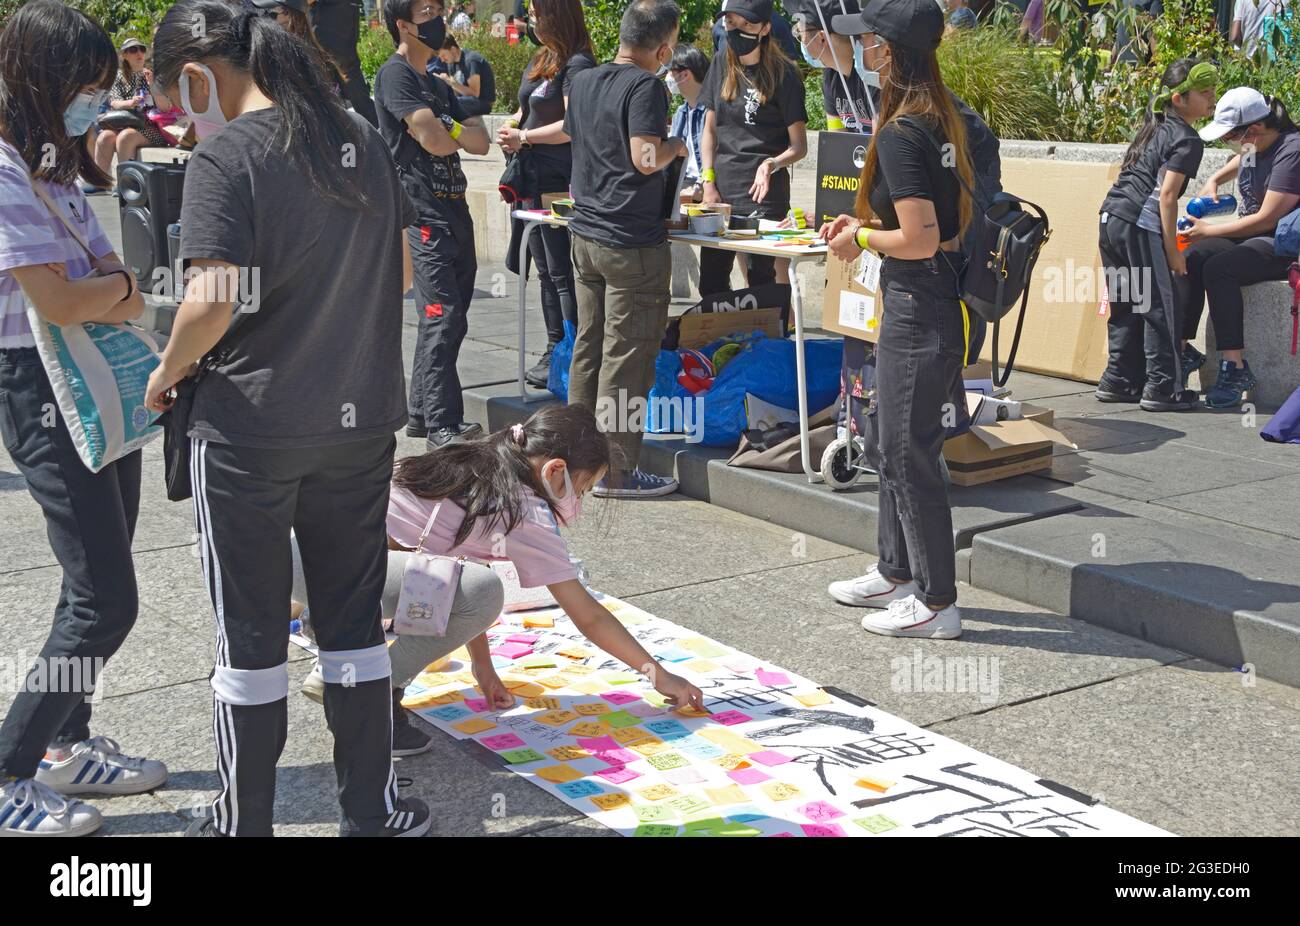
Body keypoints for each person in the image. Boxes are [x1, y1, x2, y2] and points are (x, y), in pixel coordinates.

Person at [144, 0, 425, 837]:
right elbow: (405, 272)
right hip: (360, 423)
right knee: (352, 629)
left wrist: (167, 371)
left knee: (251, 638)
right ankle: (369, 816)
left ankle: (244, 823)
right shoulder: (360, 140)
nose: (175, 112)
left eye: (173, 93)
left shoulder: (225, 157)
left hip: (249, 431)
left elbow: (213, 296)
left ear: (199, 75)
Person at [295, 405, 708, 748]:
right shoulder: (527, 510)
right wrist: (659, 674)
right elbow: (589, 616)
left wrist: (483, 668)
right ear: (554, 470)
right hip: (328, 567)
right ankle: (367, 693)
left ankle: (343, 646)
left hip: (304, 545)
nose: (578, 502)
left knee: (465, 588)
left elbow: (453, 579)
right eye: (581, 489)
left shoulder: (481, 460)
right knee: (486, 593)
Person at [0, 0, 165, 838]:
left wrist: (110, 293)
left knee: (92, 576)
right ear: (41, 78)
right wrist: (117, 295)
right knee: (105, 600)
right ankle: (7, 773)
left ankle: (64, 745)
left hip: (94, 377)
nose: (96, 104)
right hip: (39, 384)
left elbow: (105, 271)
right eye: (87, 87)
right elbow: (67, 296)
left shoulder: (45, 165)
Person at [820, 0, 972, 639]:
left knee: (907, 453)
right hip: (926, 304)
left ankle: (938, 603)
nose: (859, 50)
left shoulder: (902, 132)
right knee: (890, 442)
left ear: (889, 51)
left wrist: (863, 239)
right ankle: (896, 571)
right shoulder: (937, 120)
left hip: (919, 303)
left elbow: (922, 237)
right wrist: (871, 228)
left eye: (868, 41)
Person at [564, 0, 686, 499]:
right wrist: (677, 146)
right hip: (629, 244)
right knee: (627, 361)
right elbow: (644, 157)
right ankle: (617, 471)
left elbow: (575, 136)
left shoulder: (586, 80)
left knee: (588, 348)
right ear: (662, 47)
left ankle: (572, 458)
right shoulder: (647, 86)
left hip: (585, 237)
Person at [376, 0, 491, 449]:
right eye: (427, 12)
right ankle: (443, 423)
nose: (437, 18)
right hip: (422, 210)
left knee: (451, 317)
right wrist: (445, 129)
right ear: (403, 25)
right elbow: (430, 139)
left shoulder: (436, 83)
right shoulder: (396, 74)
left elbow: (477, 140)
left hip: (454, 208)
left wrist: (448, 125)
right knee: (440, 315)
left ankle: (423, 413)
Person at [1096, 60, 1217, 411]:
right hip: (1139, 225)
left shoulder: (1154, 126)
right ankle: (1164, 388)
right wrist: (1173, 252)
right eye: (1204, 93)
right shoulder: (1188, 139)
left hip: (1110, 219)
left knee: (1126, 305)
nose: (1212, 98)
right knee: (1159, 307)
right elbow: (1166, 197)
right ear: (1179, 99)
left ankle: (1119, 380)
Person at [1178, 87, 1300, 408]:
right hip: (1251, 234)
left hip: (1280, 243)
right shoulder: (1254, 143)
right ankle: (1181, 351)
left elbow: (1266, 219)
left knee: (1220, 268)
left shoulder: (1292, 151)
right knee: (1191, 255)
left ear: (1254, 130)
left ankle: (1236, 367)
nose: (1227, 143)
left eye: (1229, 136)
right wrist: (1214, 179)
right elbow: (1239, 159)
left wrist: (1208, 230)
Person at [499, 0, 595, 389]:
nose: (532, 22)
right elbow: (527, 109)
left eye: (539, 14)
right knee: (544, 269)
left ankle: (572, 350)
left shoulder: (578, 64)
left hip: (560, 179)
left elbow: (573, 125)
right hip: (531, 178)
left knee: (561, 271)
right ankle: (555, 346)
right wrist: (513, 129)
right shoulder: (544, 58)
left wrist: (524, 136)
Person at [698, 0, 808, 297]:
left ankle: (770, 340)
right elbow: (708, 130)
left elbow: (799, 146)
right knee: (711, 282)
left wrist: (772, 163)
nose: (738, 31)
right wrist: (708, 181)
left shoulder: (785, 73)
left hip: (765, 195)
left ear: (765, 28)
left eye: (747, 25)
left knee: (762, 282)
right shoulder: (722, 61)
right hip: (722, 193)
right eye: (732, 23)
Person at [89, 38, 172, 193]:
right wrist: (131, 103)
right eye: (133, 50)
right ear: (124, 55)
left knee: (126, 137)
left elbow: (165, 107)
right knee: (105, 137)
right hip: (124, 125)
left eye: (141, 49)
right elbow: (114, 103)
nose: (139, 53)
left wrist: (153, 85)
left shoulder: (153, 76)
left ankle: (126, 183)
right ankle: (99, 183)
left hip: (152, 128)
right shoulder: (119, 77)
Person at [796, 0, 872, 134]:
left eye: (800, 34)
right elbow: (837, 139)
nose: (801, 42)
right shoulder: (831, 75)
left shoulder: (872, 74)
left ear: (821, 38)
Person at [250, 0, 348, 90]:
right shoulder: (314, 54)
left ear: (287, 14)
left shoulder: (294, 59)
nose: (262, 17)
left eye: (268, 12)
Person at [311, 0, 380, 124]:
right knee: (344, 71)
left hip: (330, 18)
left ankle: (371, 123)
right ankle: (370, 123)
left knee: (340, 72)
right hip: (344, 12)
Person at [667, 43, 710, 192]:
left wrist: (698, 187)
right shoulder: (680, 113)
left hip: (705, 189)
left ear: (685, 75)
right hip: (683, 187)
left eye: (671, 72)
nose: (668, 78)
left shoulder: (712, 111)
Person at [437, 33, 496, 117]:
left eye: (443, 55)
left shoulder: (470, 60)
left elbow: (475, 93)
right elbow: (457, 93)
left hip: (482, 102)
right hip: (465, 101)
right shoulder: (451, 63)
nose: (442, 60)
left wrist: (451, 83)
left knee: (448, 104)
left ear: (453, 49)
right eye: (440, 57)